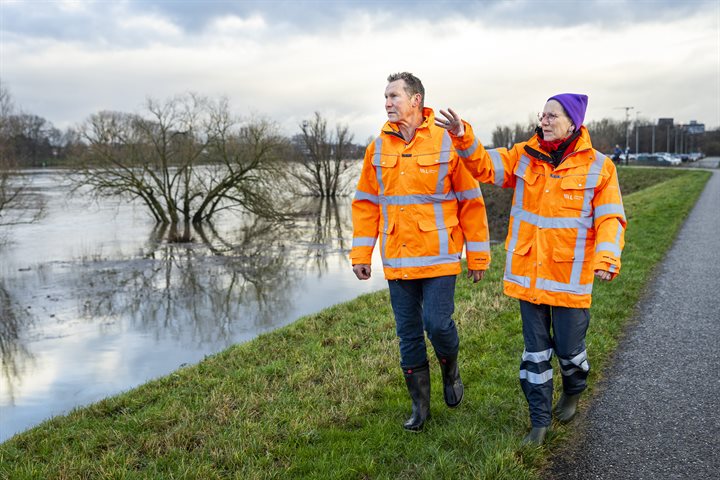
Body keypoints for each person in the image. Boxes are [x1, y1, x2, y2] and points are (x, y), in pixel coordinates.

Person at [435, 94, 626, 445]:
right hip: (529, 275)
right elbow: (485, 166)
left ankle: (573, 388)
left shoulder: (600, 167)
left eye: (553, 116)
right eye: (543, 115)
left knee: (570, 351)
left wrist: (607, 258)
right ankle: (539, 421)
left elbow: (611, 219)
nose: (545, 121)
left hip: (569, 279)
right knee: (535, 354)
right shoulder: (524, 154)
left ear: (573, 123)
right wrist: (463, 134)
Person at [350, 72, 491, 432]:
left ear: (415, 100)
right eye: (384, 97)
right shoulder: (377, 147)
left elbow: (471, 203)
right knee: (408, 333)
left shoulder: (447, 142)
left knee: (437, 325)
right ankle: (420, 407)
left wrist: (477, 255)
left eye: (393, 96)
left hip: (440, 258)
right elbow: (366, 204)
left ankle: (450, 368)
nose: (387, 103)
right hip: (397, 259)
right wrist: (361, 255)